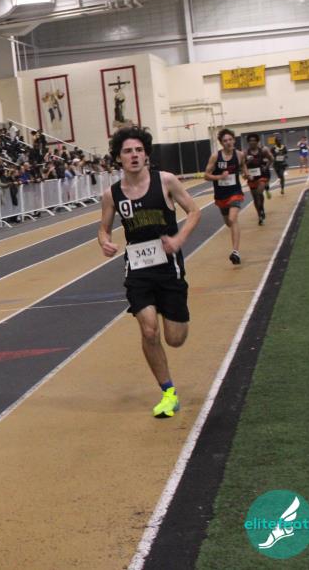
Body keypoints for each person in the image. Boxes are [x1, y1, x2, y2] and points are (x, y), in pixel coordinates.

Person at [98, 127, 200, 419]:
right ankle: (168, 393)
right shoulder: (112, 194)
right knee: (149, 329)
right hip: (138, 269)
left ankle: (172, 311)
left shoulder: (165, 181)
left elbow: (194, 211)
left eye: (138, 150)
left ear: (146, 155)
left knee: (175, 338)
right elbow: (103, 229)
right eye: (128, 151)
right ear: (119, 157)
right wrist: (104, 242)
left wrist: (178, 240)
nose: (134, 155)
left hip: (169, 267)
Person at [204, 128, 246, 265]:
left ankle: (235, 252)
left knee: (233, 219)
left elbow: (243, 166)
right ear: (221, 143)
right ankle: (235, 250)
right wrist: (219, 177)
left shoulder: (239, 155)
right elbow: (206, 175)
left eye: (230, 139)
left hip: (235, 192)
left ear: (234, 140)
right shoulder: (215, 156)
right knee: (228, 222)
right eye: (225, 140)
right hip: (221, 195)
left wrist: (246, 174)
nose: (228, 142)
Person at [243, 133, 273, 225]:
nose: (252, 142)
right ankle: (260, 214)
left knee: (259, 192)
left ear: (257, 141)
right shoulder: (245, 153)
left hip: (261, 176)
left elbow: (271, 159)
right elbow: (242, 166)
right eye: (250, 141)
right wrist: (248, 162)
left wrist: (266, 167)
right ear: (248, 142)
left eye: (254, 140)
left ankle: (261, 208)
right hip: (251, 177)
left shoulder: (263, 151)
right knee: (255, 198)